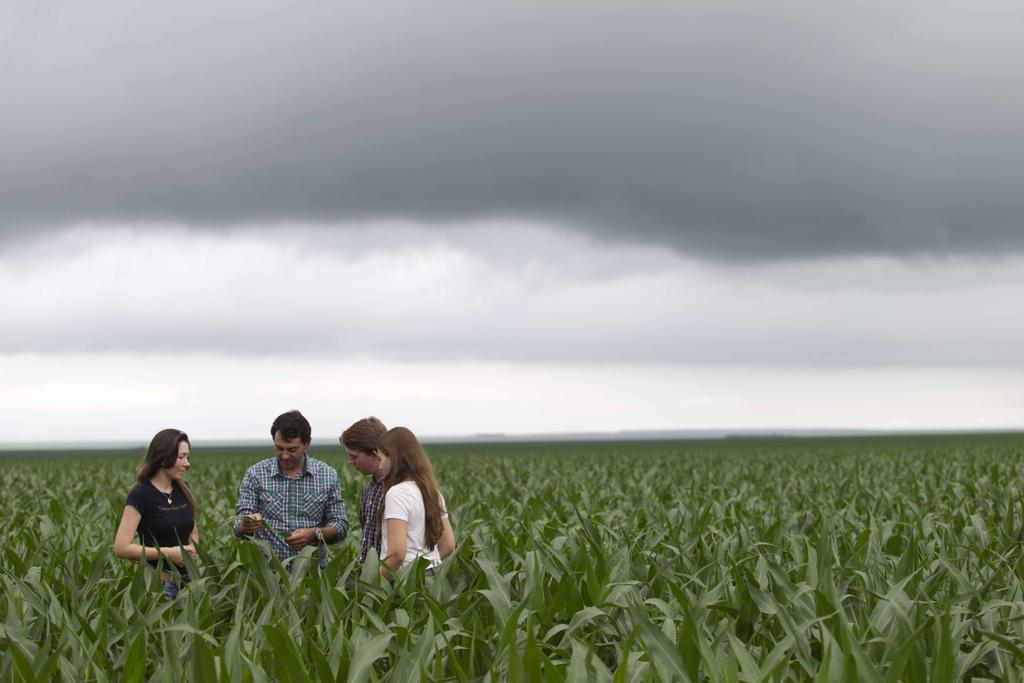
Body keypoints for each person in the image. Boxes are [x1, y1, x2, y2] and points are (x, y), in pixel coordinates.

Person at [233, 410, 347, 568]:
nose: (285, 456)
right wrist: (245, 525)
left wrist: (314, 534)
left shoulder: (327, 476)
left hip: (312, 576)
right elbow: (239, 522)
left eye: (292, 449)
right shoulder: (256, 474)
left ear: (307, 443)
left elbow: (340, 526)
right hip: (267, 578)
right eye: (279, 448)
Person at [113, 428, 198, 599]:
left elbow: (193, 532)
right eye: (181, 457)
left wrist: (191, 552)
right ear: (163, 456)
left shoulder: (183, 489)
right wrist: (168, 553)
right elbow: (121, 548)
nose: (187, 463)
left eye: (187, 457)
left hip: (188, 585)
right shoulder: (141, 494)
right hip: (158, 589)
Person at [376, 427, 456, 579]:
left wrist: (376, 581)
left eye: (381, 459)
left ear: (393, 457)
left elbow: (397, 554)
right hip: (434, 577)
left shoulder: (397, 494)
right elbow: (449, 545)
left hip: (405, 580)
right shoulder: (432, 492)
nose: (379, 466)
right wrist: (427, 564)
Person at [340, 416, 389, 563]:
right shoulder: (369, 490)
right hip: (370, 578)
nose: (350, 461)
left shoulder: (400, 490)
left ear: (374, 455)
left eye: (354, 456)